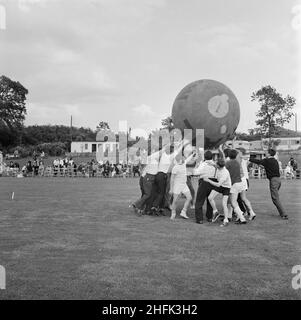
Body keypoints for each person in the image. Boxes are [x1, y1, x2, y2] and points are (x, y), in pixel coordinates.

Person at [249, 148, 288, 220]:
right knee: (276, 197)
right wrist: (263, 167)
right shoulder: (275, 160)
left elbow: (258, 161)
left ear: (269, 154)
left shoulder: (267, 160)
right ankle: (282, 213)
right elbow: (269, 167)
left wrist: (249, 158)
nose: (265, 154)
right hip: (278, 180)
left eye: (266, 153)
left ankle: (284, 214)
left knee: (275, 198)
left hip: (274, 181)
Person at [204, 158, 232, 227]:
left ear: (219, 166)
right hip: (221, 185)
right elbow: (214, 164)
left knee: (224, 204)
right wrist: (208, 162)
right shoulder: (219, 166)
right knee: (210, 197)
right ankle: (215, 212)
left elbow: (218, 184)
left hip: (226, 187)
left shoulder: (225, 173)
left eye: (216, 164)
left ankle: (226, 220)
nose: (215, 165)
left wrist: (208, 180)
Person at [169, 151, 195, 220]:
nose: (184, 158)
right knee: (175, 201)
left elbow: (188, 159)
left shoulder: (184, 163)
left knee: (189, 198)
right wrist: (171, 189)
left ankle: (183, 212)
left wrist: (192, 154)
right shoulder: (175, 168)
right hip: (177, 186)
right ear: (179, 159)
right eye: (182, 158)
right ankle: (173, 213)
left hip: (184, 185)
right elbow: (172, 179)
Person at [193, 150, 217, 224]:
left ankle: (199, 219)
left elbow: (196, 173)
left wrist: (196, 166)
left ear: (205, 157)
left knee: (199, 201)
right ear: (212, 157)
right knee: (210, 200)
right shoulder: (215, 164)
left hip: (204, 181)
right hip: (213, 182)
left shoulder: (203, 164)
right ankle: (209, 217)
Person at [225, 149, 247, 224]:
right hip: (239, 183)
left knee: (233, 202)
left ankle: (242, 218)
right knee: (234, 201)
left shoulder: (228, 163)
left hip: (234, 184)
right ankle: (237, 216)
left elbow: (222, 168)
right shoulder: (237, 162)